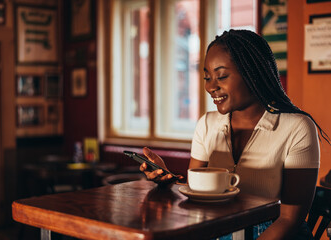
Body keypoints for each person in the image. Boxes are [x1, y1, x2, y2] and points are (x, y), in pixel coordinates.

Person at [140, 29, 330, 239]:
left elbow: (289, 219)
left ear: (252, 73)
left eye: (221, 76)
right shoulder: (206, 124)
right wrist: (169, 182)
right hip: (223, 231)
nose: (211, 86)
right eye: (207, 77)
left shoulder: (297, 128)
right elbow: (197, 195)